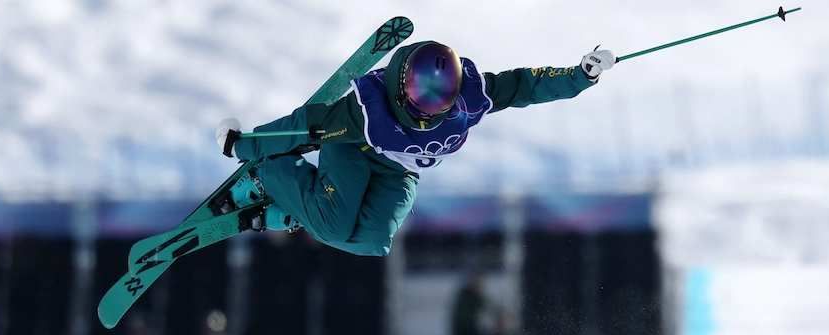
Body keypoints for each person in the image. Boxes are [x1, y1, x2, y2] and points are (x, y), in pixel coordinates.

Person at [214, 42, 614, 254]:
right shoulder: (368, 111)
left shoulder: (471, 96)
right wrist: (245, 145)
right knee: (335, 223)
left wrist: (580, 76)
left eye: (440, 98)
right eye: (421, 96)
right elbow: (306, 125)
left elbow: (525, 85)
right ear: (402, 85)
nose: (429, 108)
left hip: (400, 170)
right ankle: (268, 178)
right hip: (357, 150)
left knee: (375, 242)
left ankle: (293, 211)